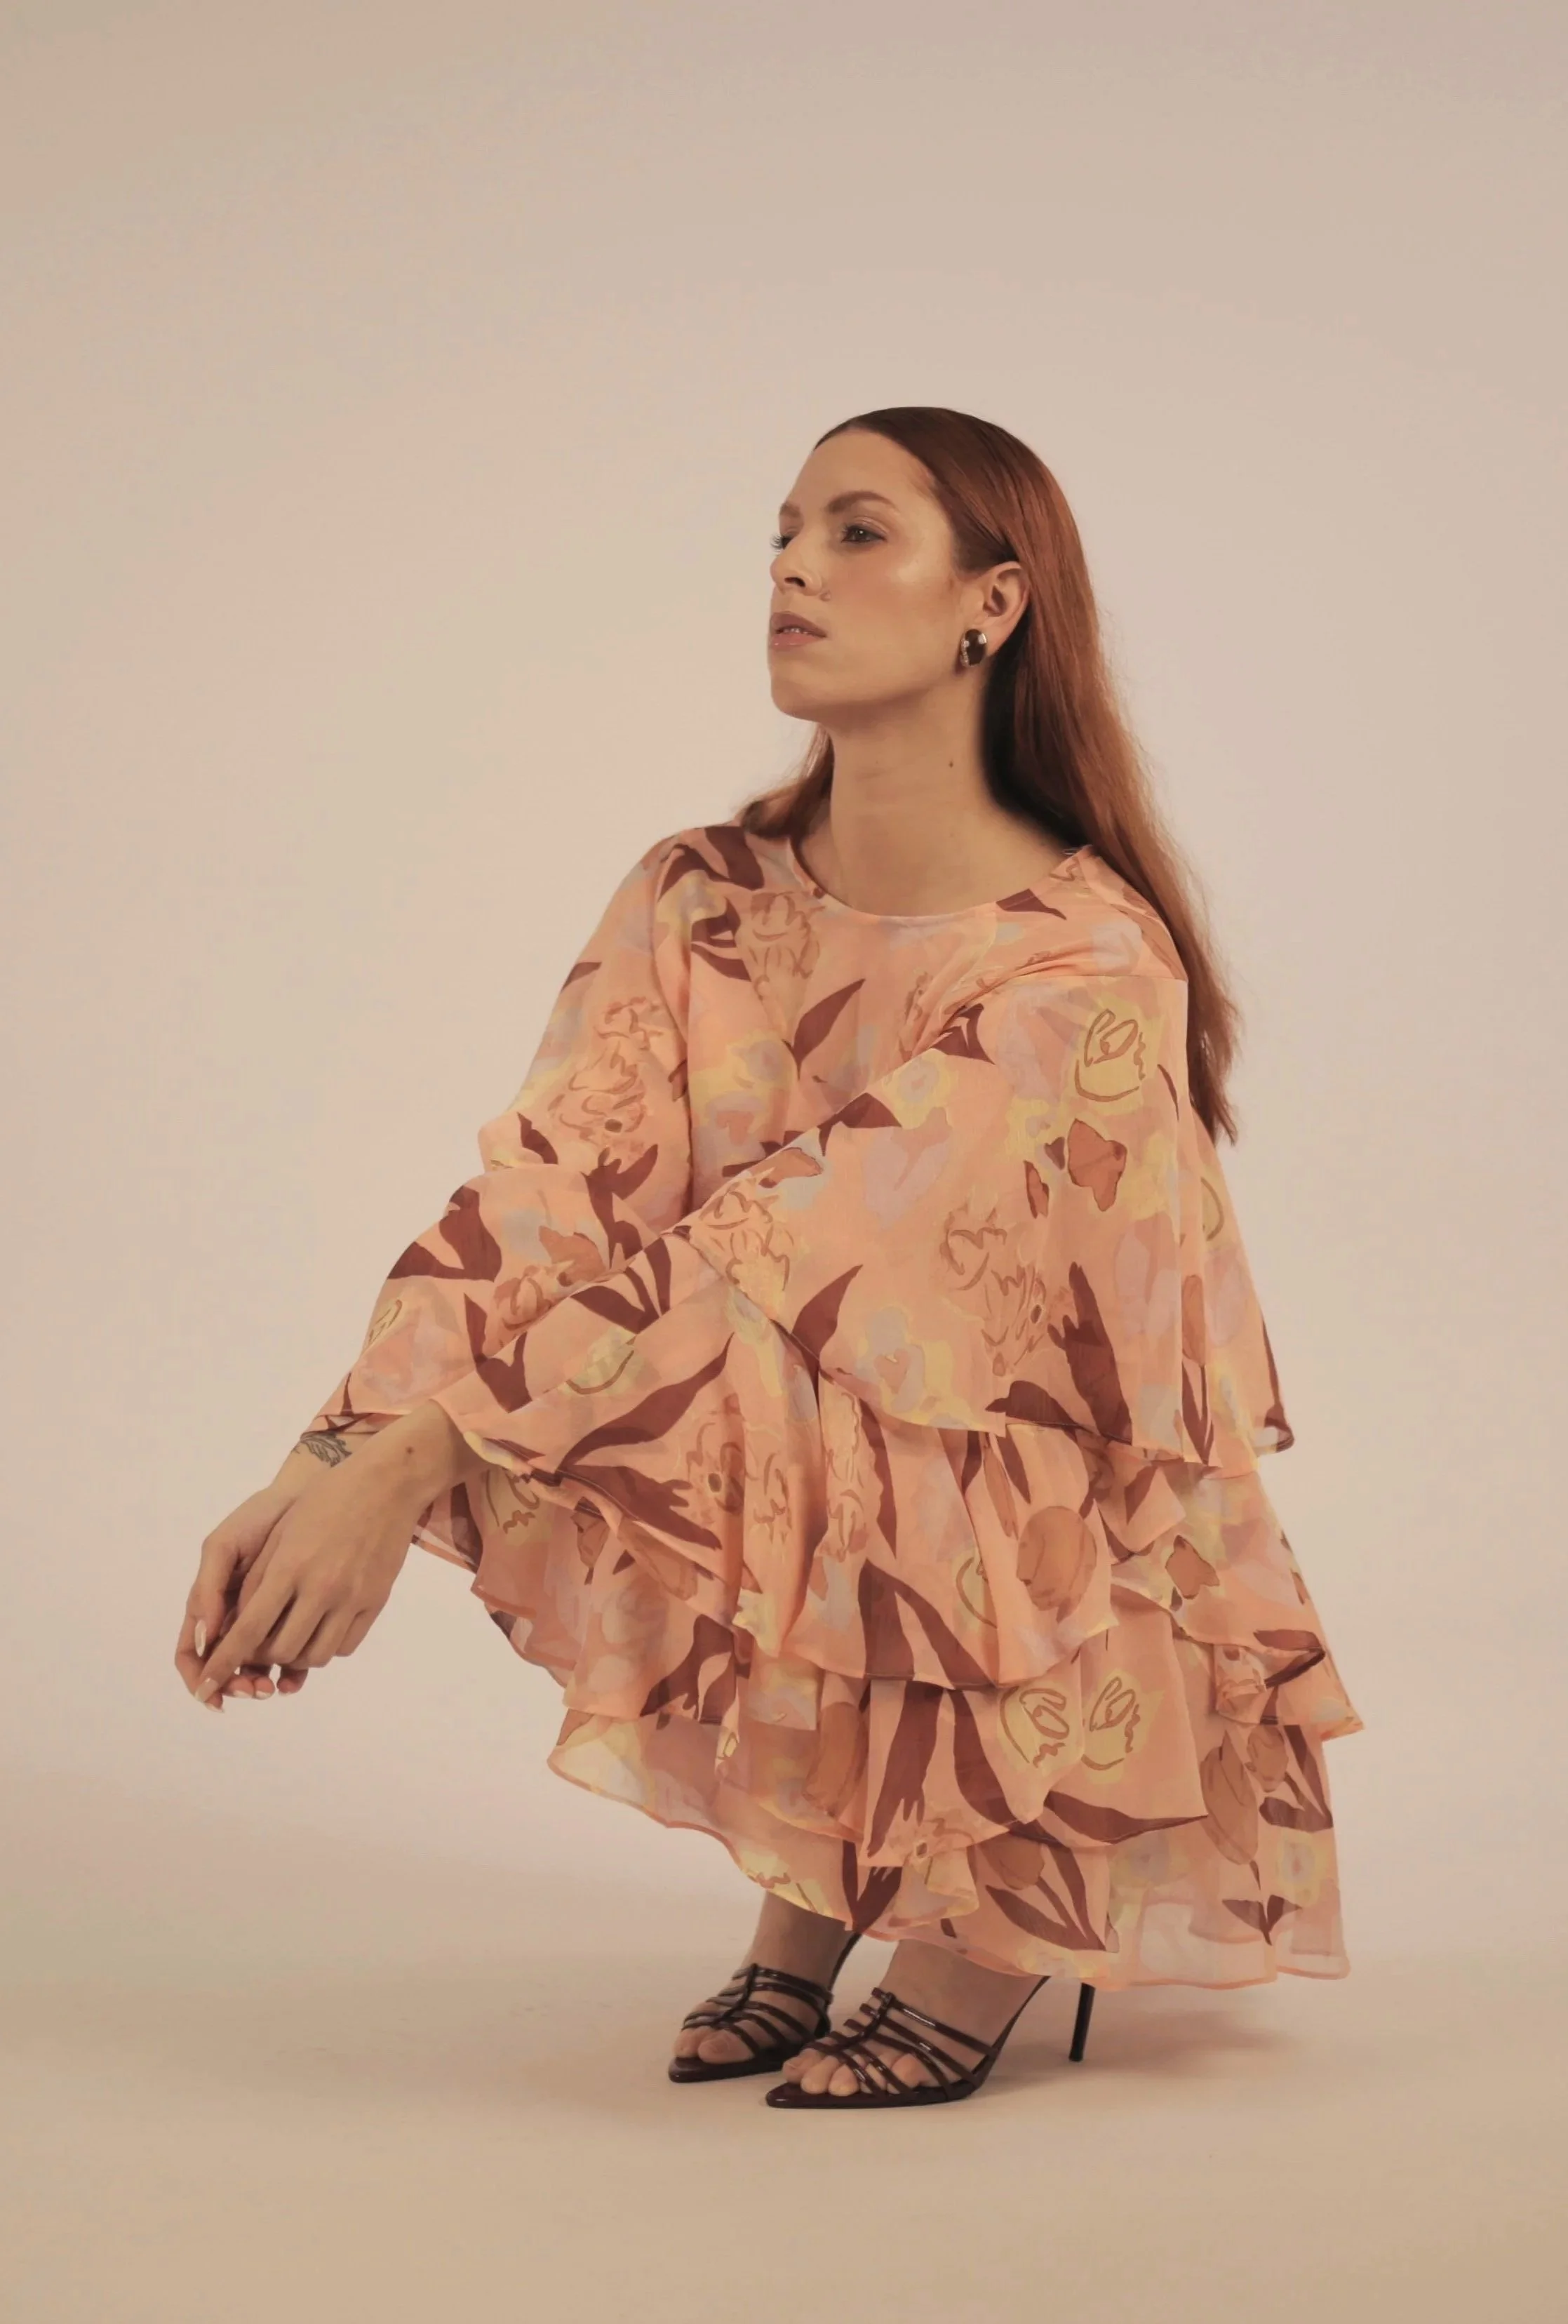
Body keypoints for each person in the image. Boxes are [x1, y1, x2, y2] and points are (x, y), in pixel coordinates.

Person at [174, 405, 1363, 2111]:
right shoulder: (700, 898)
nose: (792, 566)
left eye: (858, 531)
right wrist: (327, 1458)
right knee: (672, 1357)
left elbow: (774, 1255)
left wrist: (416, 1460)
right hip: (770, 1359)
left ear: (992, 602)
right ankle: (828, 1868)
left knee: (869, 1359)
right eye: (783, 531)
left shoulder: (1084, 970)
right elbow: (550, 1192)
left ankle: (999, 1903)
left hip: (1026, 1482)